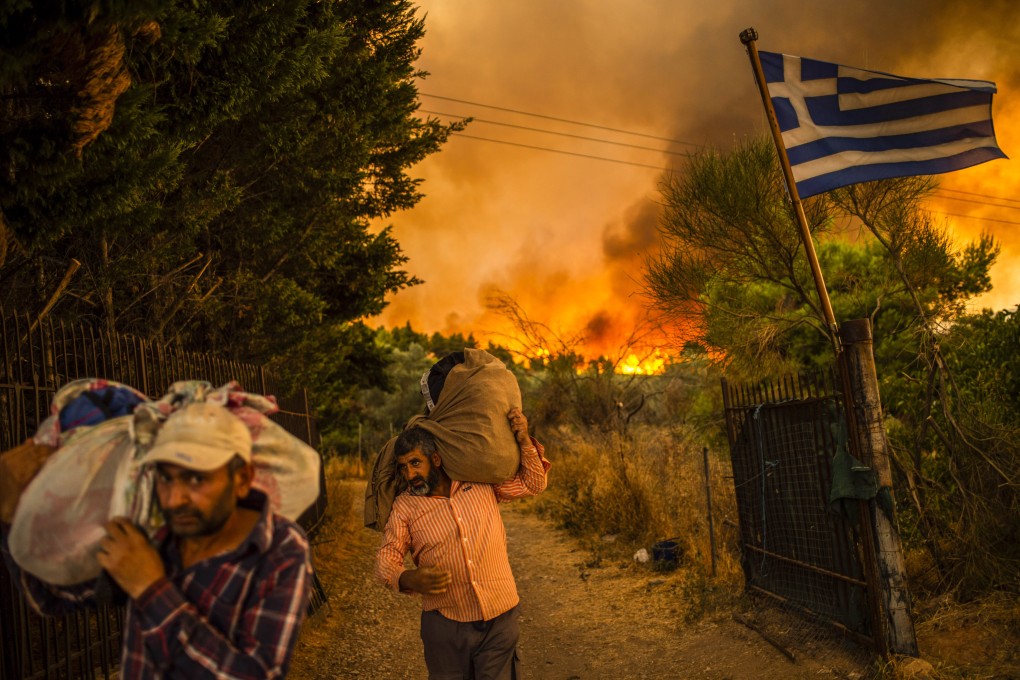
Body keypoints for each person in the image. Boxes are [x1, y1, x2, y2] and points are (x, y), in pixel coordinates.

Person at [0, 401, 313, 679]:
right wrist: (10, 512)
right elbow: (52, 597)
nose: (175, 499)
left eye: (195, 478)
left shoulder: (280, 549)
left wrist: (150, 589)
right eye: (166, 477)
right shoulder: (155, 529)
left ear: (242, 478)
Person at [375, 406, 550, 680]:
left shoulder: (480, 483)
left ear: (435, 459)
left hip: (500, 616)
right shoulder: (405, 506)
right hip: (445, 625)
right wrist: (409, 578)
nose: (409, 475)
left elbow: (534, 483)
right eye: (403, 467)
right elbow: (386, 559)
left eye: (415, 463)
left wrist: (524, 439)